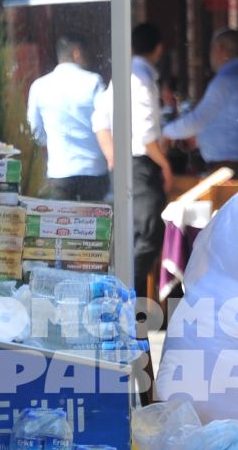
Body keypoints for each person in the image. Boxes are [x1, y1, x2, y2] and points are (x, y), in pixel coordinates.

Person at [92, 23, 173, 296]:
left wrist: (113, 156)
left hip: (128, 163)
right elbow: (147, 134)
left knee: (132, 234)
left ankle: (124, 296)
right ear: (158, 49)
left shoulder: (123, 75)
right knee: (149, 233)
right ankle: (128, 297)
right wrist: (165, 165)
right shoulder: (142, 77)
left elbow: (99, 121)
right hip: (141, 165)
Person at [28, 34, 108, 202]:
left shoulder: (39, 86)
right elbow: (106, 122)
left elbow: (35, 132)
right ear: (77, 53)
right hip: (94, 170)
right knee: (95, 226)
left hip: (60, 171)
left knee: (61, 225)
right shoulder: (93, 82)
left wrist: (51, 144)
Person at [167, 28, 238, 169]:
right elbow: (227, 122)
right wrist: (200, 138)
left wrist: (166, 132)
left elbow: (198, 120)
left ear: (219, 50)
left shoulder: (227, 79)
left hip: (229, 165)